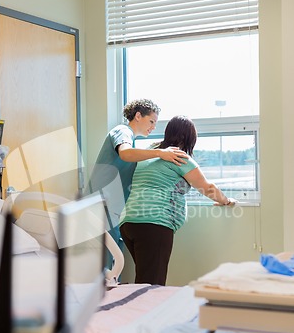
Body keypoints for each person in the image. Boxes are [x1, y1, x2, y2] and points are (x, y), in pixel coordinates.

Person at [119, 115, 236, 286]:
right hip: (153, 224)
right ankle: (148, 313)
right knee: (152, 284)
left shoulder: (151, 151)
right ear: (189, 138)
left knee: (146, 280)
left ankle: (141, 311)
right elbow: (207, 187)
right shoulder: (179, 157)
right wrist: (225, 201)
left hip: (129, 223)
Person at [86, 99, 188, 256]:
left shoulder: (134, 145)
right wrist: (160, 152)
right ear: (138, 116)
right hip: (100, 206)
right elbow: (125, 153)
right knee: (101, 262)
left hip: (113, 208)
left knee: (111, 261)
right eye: (151, 121)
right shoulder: (122, 131)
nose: (153, 127)